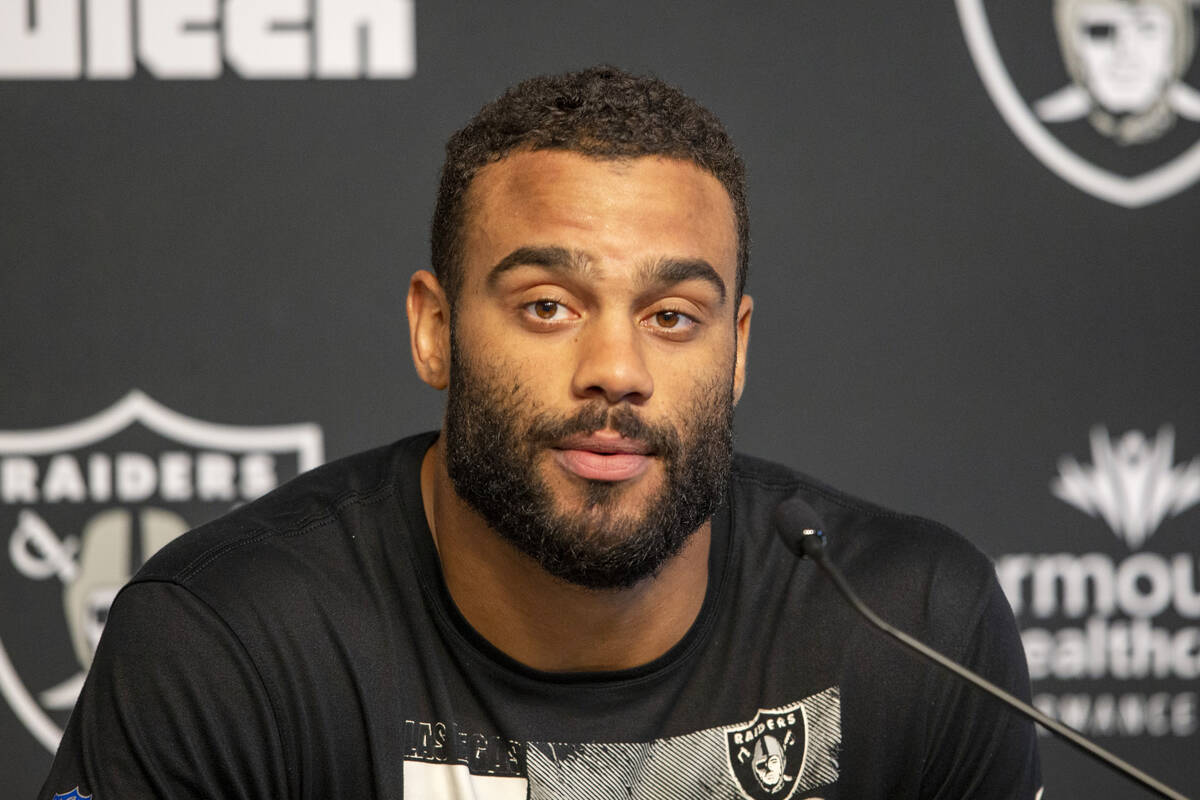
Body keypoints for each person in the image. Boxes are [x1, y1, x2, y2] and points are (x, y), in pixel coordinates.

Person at [40, 65, 1042, 799]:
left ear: (736, 349)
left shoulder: (911, 629)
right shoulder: (227, 643)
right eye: (549, 306)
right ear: (436, 329)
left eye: (673, 316)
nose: (616, 368)